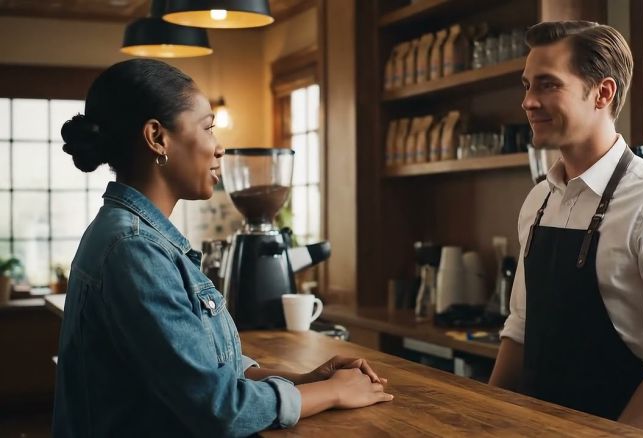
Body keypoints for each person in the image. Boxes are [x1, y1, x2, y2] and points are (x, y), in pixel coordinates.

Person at [53, 58, 392, 437]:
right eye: (208, 128)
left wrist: (306, 379)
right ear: (157, 138)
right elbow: (219, 410)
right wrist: (330, 392)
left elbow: (205, 372)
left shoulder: (134, 236)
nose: (219, 149)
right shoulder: (134, 249)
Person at [488, 21, 643, 433]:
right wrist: (487, 421)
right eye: (526, 85)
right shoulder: (539, 201)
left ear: (603, 93)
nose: (528, 102)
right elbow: (520, 329)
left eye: (547, 85)